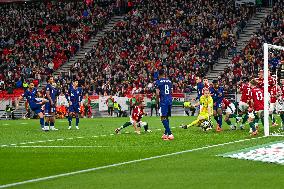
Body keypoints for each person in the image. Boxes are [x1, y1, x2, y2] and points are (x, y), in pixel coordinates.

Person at [155, 69, 174, 140]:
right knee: (166, 117)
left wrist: (157, 102)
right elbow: (171, 91)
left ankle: (170, 134)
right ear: (164, 74)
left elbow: (157, 93)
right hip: (169, 100)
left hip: (163, 101)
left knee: (162, 117)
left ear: (158, 75)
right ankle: (165, 134)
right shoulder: (169, 81)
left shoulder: (158, 82)